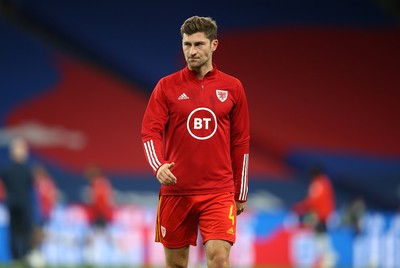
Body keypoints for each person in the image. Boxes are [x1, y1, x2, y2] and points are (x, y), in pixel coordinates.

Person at [141, 16, 250, 268]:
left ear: (214, 45)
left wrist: (240, 191)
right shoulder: (166, 87)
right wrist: (158, 166)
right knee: (177, 264)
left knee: (219, 259)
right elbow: (149, 133)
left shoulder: (233, 87)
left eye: (199, 44)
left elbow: (241, 141)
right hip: (177, 192)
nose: (192, 51)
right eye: (187, 44)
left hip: (218, 191)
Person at [293, 165, 336, 267]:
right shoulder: (325, 182)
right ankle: (327, 258)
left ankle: (328, 258)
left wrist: (300, 206)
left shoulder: (318, 183)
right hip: (325, 214)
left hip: (320, 215)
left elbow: (313, 201)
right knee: (320, 236)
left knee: (320, 237)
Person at [0, 137, 35, 264]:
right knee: (23, 231)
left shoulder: (7, 169)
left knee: (16, 232)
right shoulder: (26, 169)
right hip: (22, 203)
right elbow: (29, 185)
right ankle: (23, 257)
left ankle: (17, 258)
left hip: (13, 203)